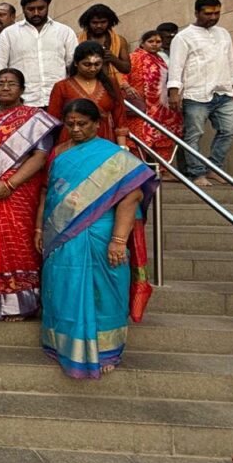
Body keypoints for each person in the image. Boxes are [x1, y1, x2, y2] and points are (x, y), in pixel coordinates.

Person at [38, 99, 156, 379]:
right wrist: (39, 230)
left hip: (103, 233)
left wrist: (118, 240)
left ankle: (106, 351)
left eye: (83, 124)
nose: (76, 129)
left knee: (104, 289)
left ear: (97, 124)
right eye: (71, 124)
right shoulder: (59, 153)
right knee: (64, 284)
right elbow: (47, 193)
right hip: (63, 235)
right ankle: (63, 344)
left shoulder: (114, 156)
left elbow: (133, 196)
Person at [0, 68, 58, 321]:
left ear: (22, 89)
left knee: (17, 242)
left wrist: (9, 184)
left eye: (11, 84)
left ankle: (19, 303)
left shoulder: (35, 118)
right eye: (0, 84)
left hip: (20, 189)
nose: (5, 88)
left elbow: (40, 156)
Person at [167, 0, 233, 187]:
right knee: (194, 135)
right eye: (208, 13)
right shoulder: (183, 37)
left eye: (216, 13)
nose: (213, 17)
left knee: (229, 130)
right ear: (197, 13)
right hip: (195, 94)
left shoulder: (223, 33)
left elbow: (230, 61)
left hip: (223, 92)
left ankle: (214, 168)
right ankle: (196, 173)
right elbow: (176, 66)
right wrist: (174, 92)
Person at [0, 0, 77, 108]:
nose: (36, 13)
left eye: (41, 8)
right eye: (31, 9)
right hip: (23, 103)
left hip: (58, 102)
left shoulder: (64, 32)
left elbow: (73, 67)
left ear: (48, 6)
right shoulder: (9, 34)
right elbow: (0, 68)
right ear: (23, 9)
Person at [48, 41, 127, 146]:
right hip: (72, 140)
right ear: (76, 63)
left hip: (104, 138)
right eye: (87, 64)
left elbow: (119, 116)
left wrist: (122, 146)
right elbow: (53, 121)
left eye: (97, 64)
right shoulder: (61, 87)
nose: (93, 69)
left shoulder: (110, 83)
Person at [125, 30, 183, 168]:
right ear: (142, 43)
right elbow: (122, 74)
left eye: (158, 42)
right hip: (141, 106)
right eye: (150, 42)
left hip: (161, 108)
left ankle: (163, 169)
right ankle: (137, 170)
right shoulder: (133, 57)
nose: (154, 45)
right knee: (137, 139)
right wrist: (126, 87)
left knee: (164, 138)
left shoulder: (162, 60)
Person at [78, 3, 131, 77]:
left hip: (111, 84)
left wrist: (113, 58)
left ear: (109, 22)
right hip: (86, 84)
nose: (99, 26)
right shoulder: (77, 40)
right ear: (88, 23)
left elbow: (127, 69)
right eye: (94, 22)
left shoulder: (120, 40)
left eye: (103, 22)